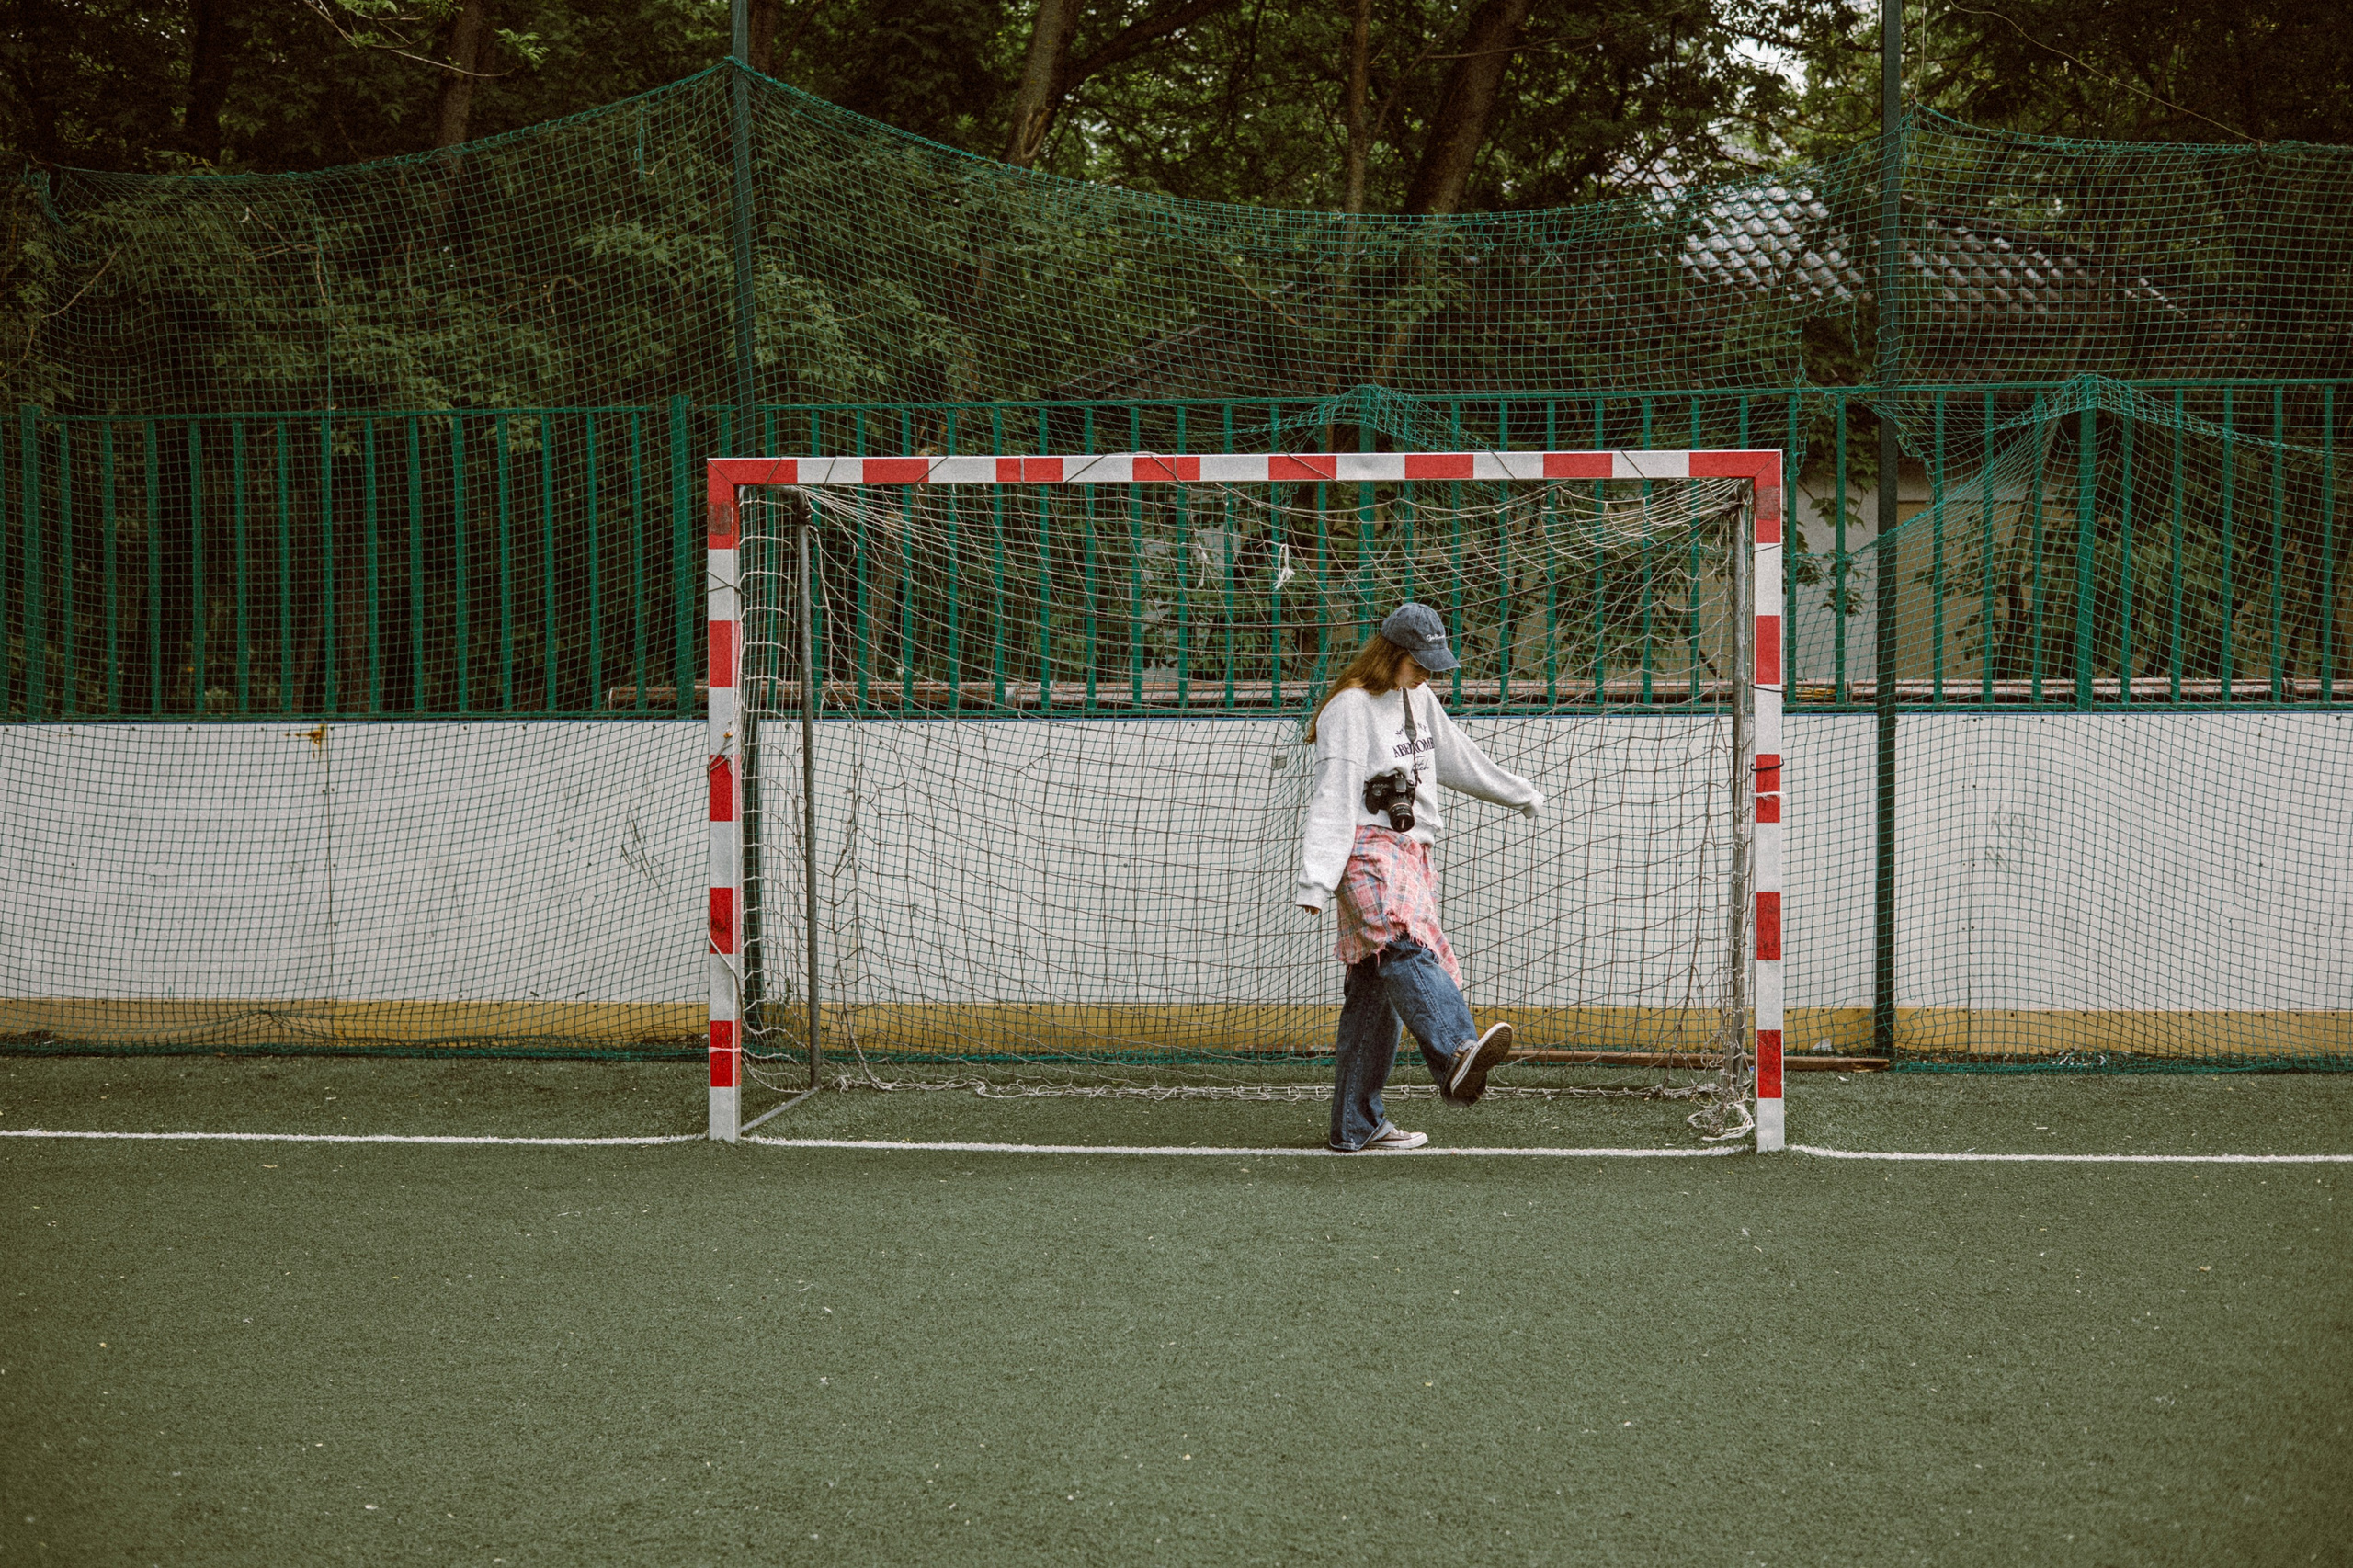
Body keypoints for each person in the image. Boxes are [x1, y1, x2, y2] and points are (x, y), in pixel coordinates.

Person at [1296, 602, 1544, 1152]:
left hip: (1414, 853)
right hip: (1364, 849)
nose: (1430, 673)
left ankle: (1356, 1125)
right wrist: (1316, 879)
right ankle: (1457, 1052)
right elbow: (1334, 797)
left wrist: (1517, 792)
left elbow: (1458, 759)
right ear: (1392, 654)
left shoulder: (1420, 698)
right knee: (1403, 944)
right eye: (1420, 662)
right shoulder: (1350, 708)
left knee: (1373, 992)